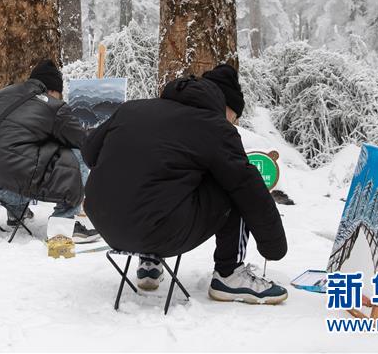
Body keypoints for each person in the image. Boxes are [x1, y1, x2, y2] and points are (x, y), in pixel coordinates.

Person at [82, 64, 288, 304]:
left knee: (164, 177)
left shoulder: (132, 109)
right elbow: (248, 187)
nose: (235, 122)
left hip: (104, 223)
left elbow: (89, 153)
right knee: (233, 182)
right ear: (226, 107)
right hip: (158, 230)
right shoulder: (214, 126)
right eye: (235, 116)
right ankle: (229, 274)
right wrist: (273, 247)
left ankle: (150, 260)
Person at [0, 59, 99, 246]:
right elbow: (82, 140)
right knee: (75, 155)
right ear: (53, 90)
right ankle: (64, 227)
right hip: (12, 188)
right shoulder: (53, 106)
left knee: (16, 151)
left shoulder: (3, 94)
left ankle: (16, 214)